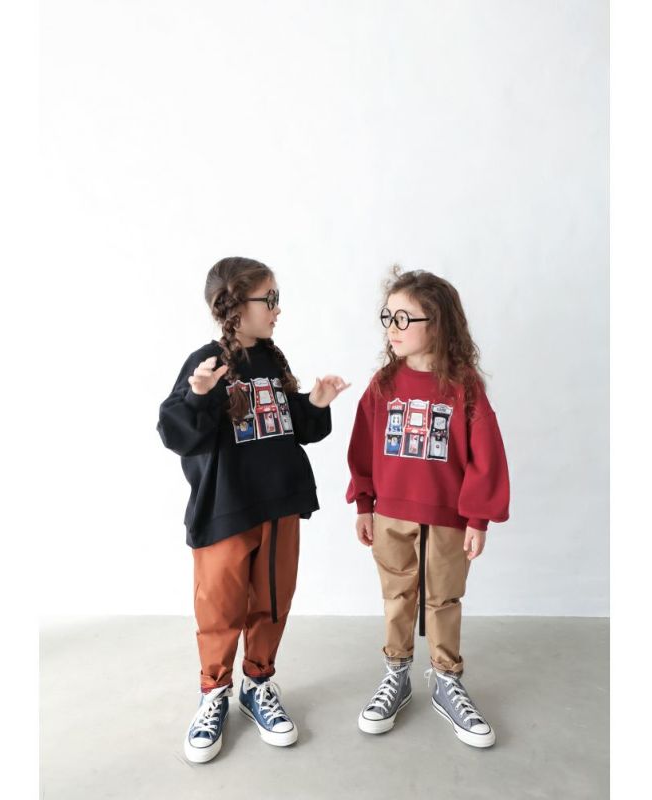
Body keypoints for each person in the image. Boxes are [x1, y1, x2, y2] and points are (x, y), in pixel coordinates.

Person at [157, 256, 349, 763]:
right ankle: (214, 692)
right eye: (271, 299)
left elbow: (293, 428)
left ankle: (257, 683)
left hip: (278, 504)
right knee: (219, 607)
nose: (278, 309)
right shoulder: (207, 362)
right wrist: (199, 394)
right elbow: (175, 431)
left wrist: (316, 402)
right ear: (236, 305)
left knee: (272, 600)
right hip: (226, 509)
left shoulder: (272, 360)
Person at [346, 265, 510, 748]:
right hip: (390, 515)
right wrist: (364, 503)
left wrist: (478, 517)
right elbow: (362, 447)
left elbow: (485, 455)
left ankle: (445, 679)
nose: (392, 329)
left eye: (404, 319)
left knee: (444, 598)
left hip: (447, 518)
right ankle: (396, 675)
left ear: (437, 323)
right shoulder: (383, 383)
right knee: (397, 595)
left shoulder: (464, 386)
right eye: (388, 317)